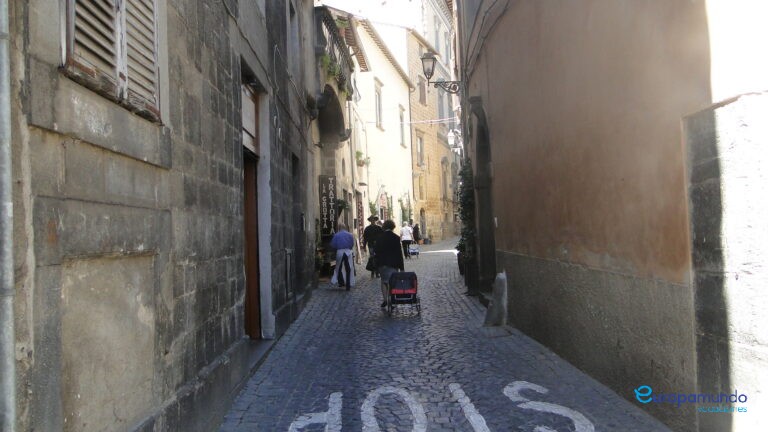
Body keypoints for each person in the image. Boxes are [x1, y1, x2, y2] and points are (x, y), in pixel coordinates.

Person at [374, 220, 404, 308]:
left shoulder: (379, 237)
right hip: (393, 264)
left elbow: (376, 251)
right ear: (393, 227)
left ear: (384, 227)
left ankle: (385, 299)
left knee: (384, 281)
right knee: (392, 282)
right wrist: (401, 267)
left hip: (382, 263)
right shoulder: (396, 238)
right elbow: (399, 253)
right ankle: (391, 298)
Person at [330, 223, 355, 290]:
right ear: (345, 228)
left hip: (340, 252)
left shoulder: (336, 235)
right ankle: (348, 285)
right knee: (348, 268)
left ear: (339, 228)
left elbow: (333, 245)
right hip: (348, 252)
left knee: (338, 267)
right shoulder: (350, 235)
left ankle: (341, 282)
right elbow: (352, 244)